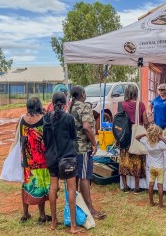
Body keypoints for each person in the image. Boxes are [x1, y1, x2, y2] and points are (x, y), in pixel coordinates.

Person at [43, 93, 82, 233]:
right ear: (65, 103)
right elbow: (73, 136)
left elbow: (45, 138)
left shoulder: (46, 118)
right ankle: (73, 226)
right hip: (67, 157)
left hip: (52, 157)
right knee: (71, 189)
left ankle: (54, 222)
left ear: (52, 103)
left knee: (53, 188)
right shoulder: (69, 118)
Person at [69, 85, 106, 220]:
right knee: (85, 177)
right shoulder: (84, 107)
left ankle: (78, 207)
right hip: (83, 148)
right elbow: (86, 127)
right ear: (83, 94)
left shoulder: (70, 107)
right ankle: (90, 208)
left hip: (71, 148)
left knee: (76, 178)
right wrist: (94, 143)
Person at [19, 97, 50, 224]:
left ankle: (25, 214)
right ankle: (42, 216)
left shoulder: (22, 119)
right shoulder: (43, 119)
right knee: (40, 186)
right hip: (41, 159)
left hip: (27, 159)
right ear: (39, 106)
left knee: (26, 185)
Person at [119, 84, 149, 194]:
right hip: (136, 135)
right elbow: (145, 121)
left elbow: (118, 120)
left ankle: (125, 186)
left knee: (123, 159)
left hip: (124, 135)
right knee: (137, 159)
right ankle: (136, 188)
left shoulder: (122, 105)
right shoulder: (140, 105)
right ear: (136, 93)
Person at [136, 125, 166, 207]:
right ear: (158, 135)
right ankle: (160, 204)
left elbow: (136, 138)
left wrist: (145, 134)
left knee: (151, 185)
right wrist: (163, 139)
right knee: (160, 187)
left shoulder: (147, 143)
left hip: (152, 168)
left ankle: (151, 202)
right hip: (160, 168)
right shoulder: (160, 145)